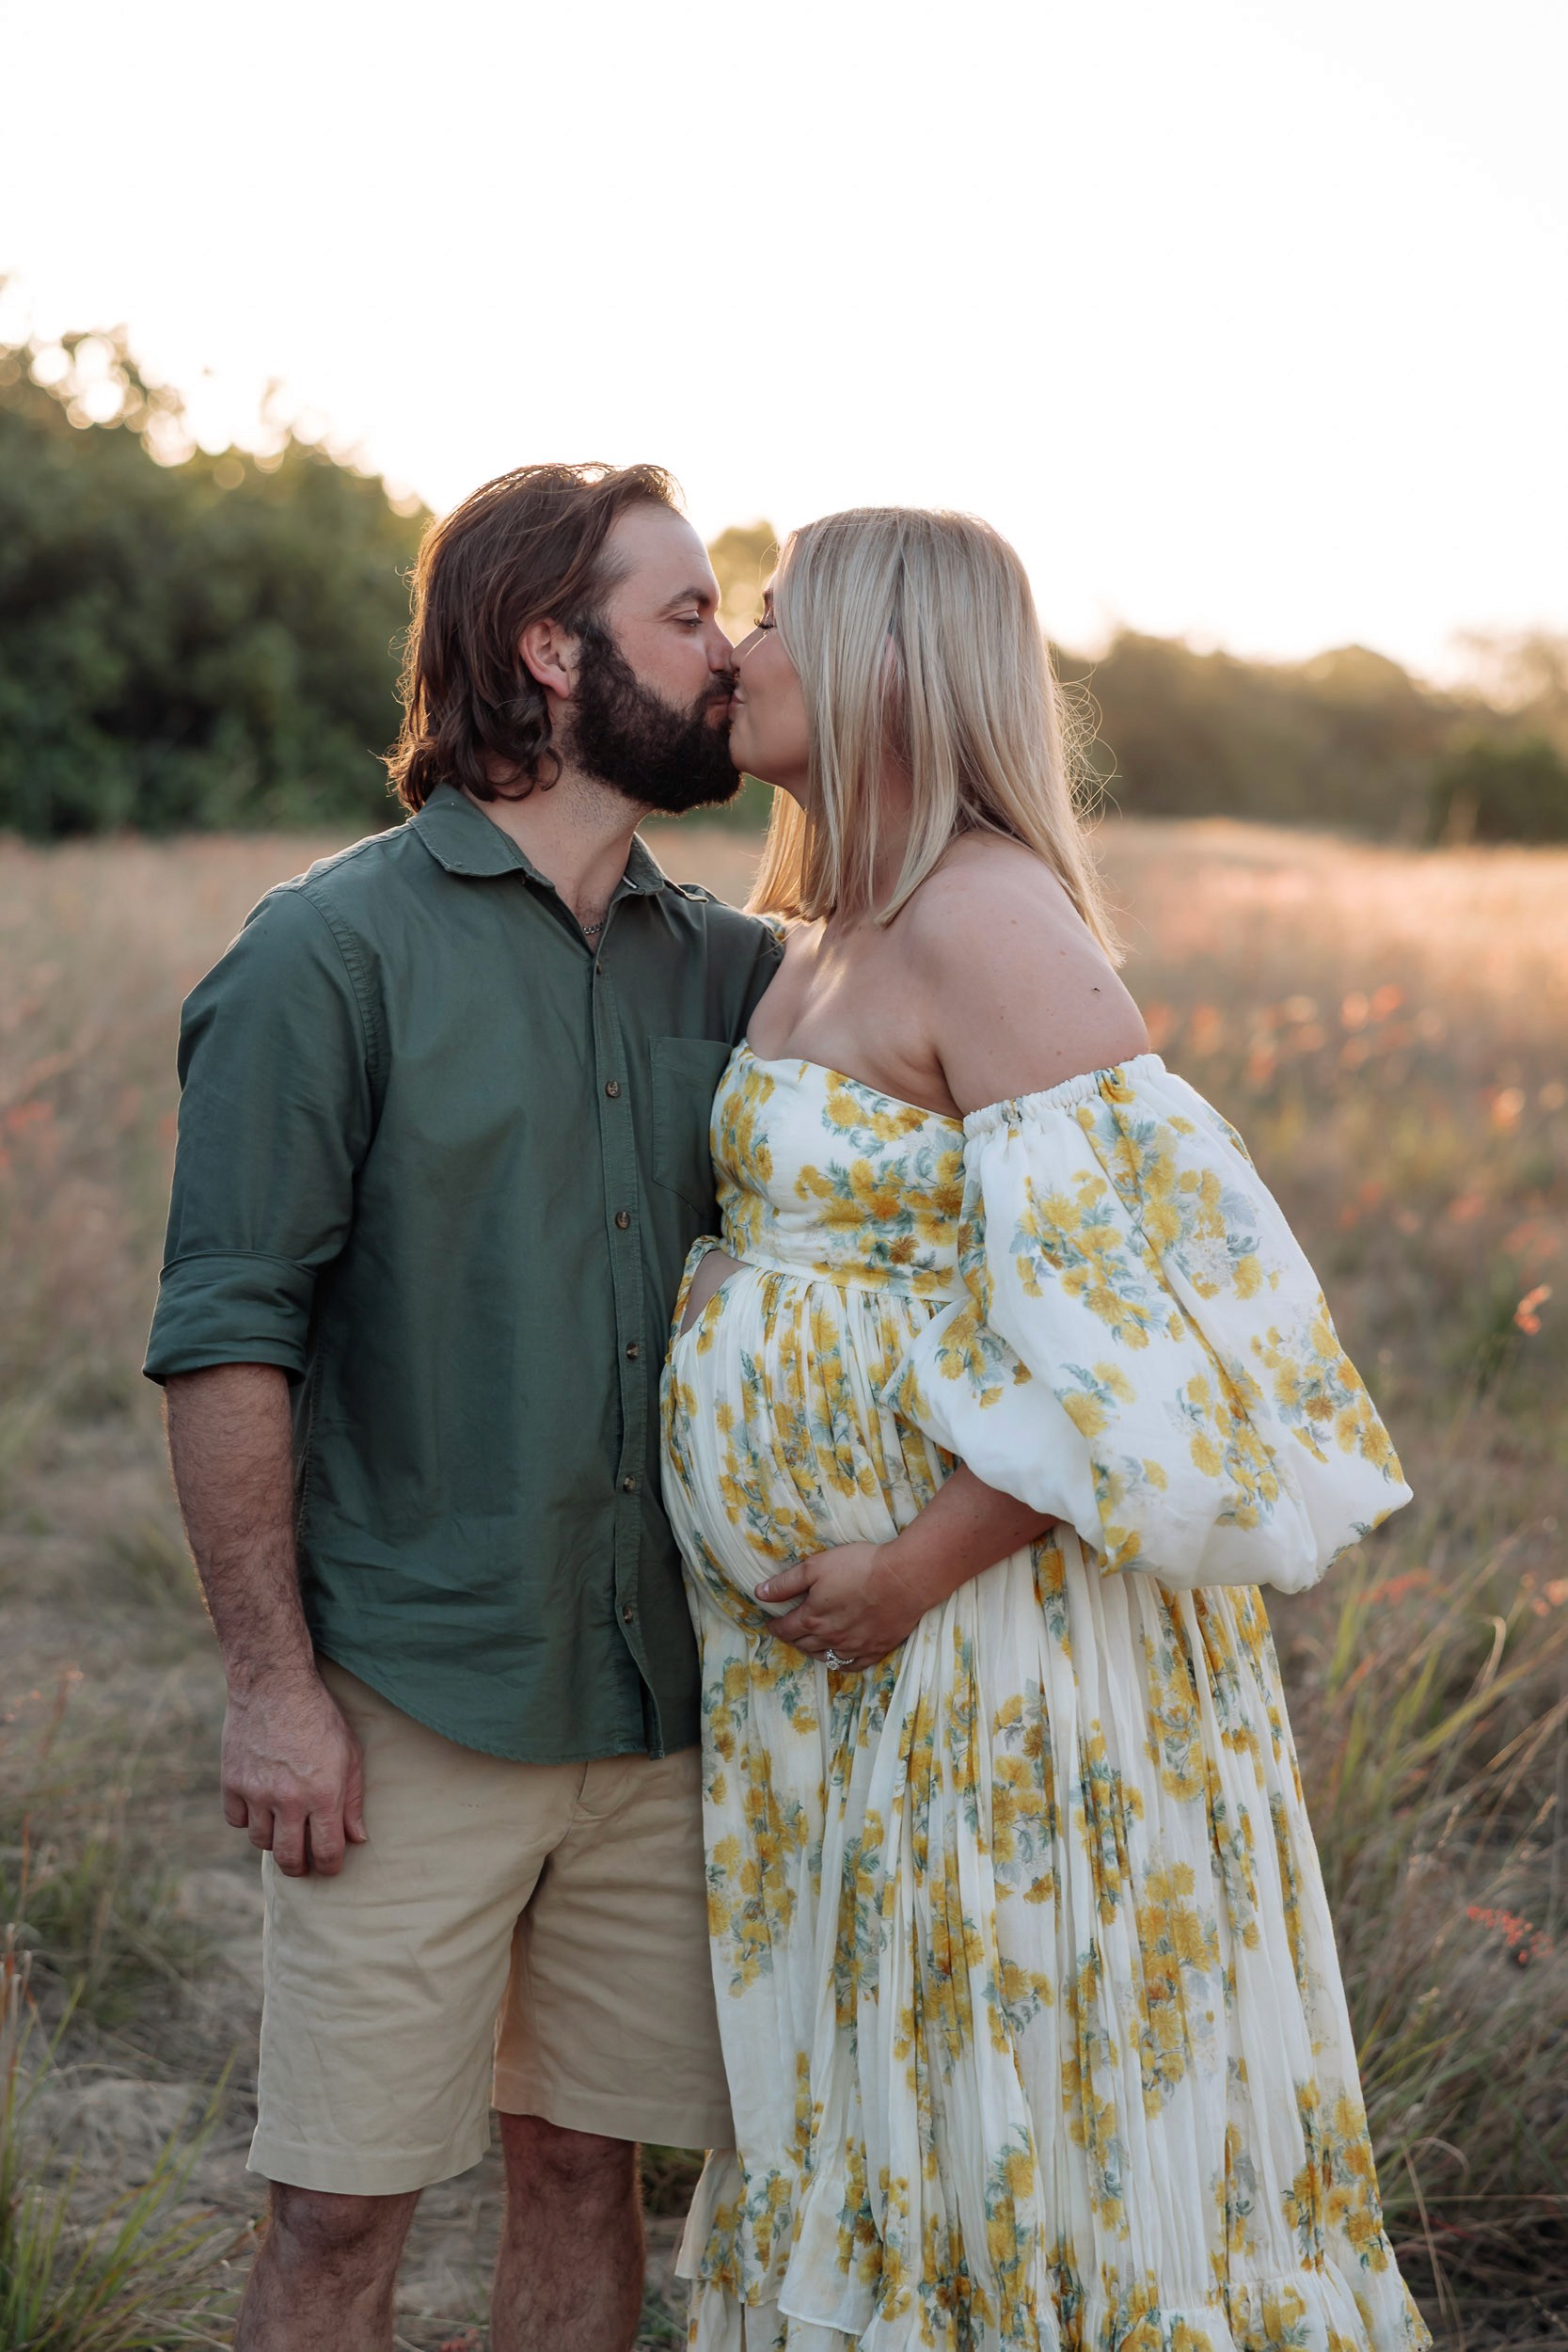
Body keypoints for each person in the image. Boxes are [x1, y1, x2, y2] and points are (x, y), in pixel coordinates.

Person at [659, 507, 1430, 2350]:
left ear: (890, 666)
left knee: (1008, 2072)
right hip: (838, 1668)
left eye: (776, 616)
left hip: (981, 1650)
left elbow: (1147, 1338)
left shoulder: (991, 921)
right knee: (880, 2077)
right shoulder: (836, 922)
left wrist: (911, 1570)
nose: (741, 651)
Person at [144, 462, 782, 2352]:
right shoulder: (323, 952)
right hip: (407, 1698)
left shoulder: (741, 970)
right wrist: (270, 1683)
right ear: (545, 649)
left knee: (589, 2172)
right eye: (687, 613)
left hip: (662, 1702)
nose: (731, 652)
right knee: (341, 2205)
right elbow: (227, 1332)